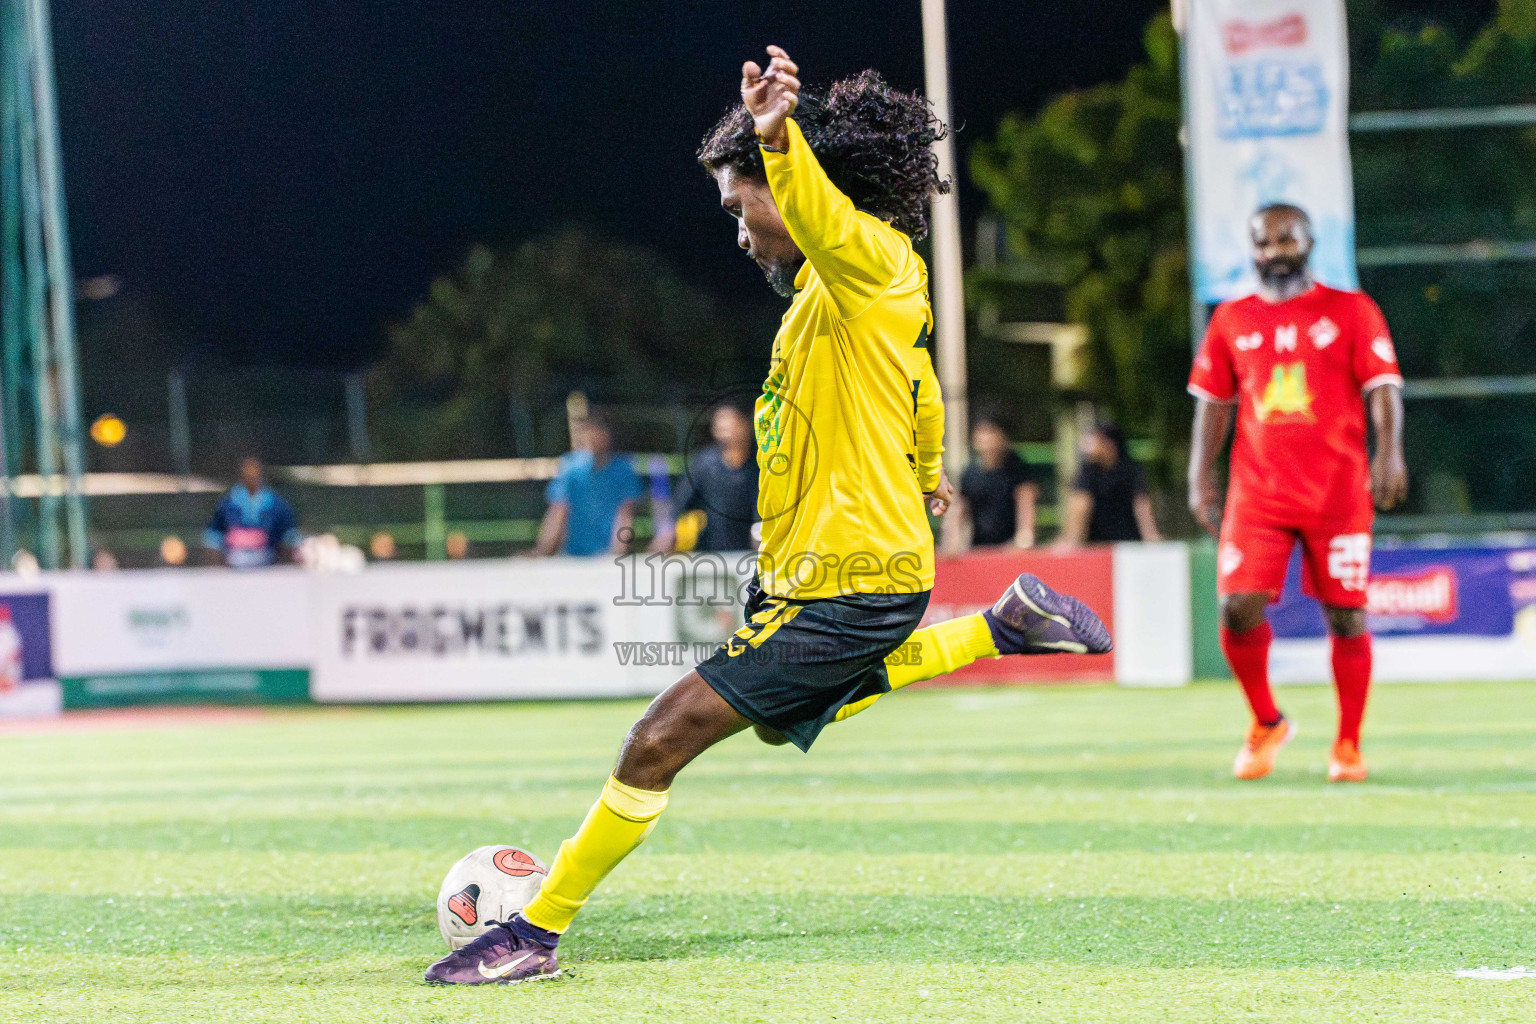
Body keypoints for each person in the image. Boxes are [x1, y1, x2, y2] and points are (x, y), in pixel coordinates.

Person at [425, 46, 1112, 986]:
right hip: (812, 579)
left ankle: (533, 933)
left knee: (658, 739)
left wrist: (779, 137)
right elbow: (913, 377)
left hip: (855, 581)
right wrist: (920, 464)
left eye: (738, 204)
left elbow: (831, 227)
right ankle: (1001, 624)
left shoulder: (877, 259)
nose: (739, 229)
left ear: (794, 186)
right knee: (784, 712)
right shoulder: (825, 303)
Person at [1187, 203, 1407, 784]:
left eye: (1286, 239)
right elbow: (1214, 401)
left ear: (1310, 242)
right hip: (1258, 494)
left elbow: (1383, 386)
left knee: (1346, 616)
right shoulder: (1232, 318)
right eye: (1262, 242)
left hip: (1337, 493)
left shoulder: (1352, 310)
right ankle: (1266, 722)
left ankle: (1348, 745)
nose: (1273, 251)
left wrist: (1390, 452)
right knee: (1236, 608)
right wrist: (1197, 474)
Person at [532, 409, 640, 557]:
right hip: (571, 556)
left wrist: (616, 555)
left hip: (606, 556)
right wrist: (542, 551)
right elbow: (558, 513)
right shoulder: (570, 467)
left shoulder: (623, 469)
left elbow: (625, 516)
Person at [654, 403, 760, 553]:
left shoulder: (758, 466)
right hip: (708, 554)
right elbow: (680, 503)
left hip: (749, 554)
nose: (727, 433)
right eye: (721, 427)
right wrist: (665, 535)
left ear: (745, 426)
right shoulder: (704, 463)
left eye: (732, 426)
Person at [1057, 422, 1161, 545]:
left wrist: (1151, 538)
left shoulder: (1131, 470)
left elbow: (1142, 505)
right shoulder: (1088, 470)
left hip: (1128, 542)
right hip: (1095, 544)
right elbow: (1080, 506)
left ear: (1109, 443)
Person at [944, 416, 1037, 552]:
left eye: (991, 434)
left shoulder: (1017, 469)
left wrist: (1024, 539)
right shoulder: (970, 473)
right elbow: (959, 509)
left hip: (1010, 548)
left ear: (1002, 437)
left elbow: (1026, 503)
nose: (986, 441)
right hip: (979, 547)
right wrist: (951, 542)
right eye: (982, 435)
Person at [202, 456, 301, 568]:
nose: (251, 478)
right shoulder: (228, 503)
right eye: (247, 476)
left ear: (260, 476)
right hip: (234, 559)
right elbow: (214, 534)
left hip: (267, 559)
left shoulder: (276, 504)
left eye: (254, 475)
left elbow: (289, 534)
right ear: (242, 477)